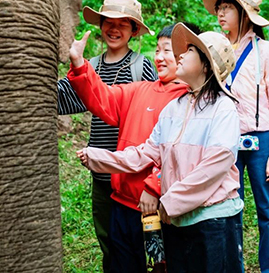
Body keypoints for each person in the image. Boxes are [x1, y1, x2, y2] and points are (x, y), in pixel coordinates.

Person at [76, 23, 244, 273]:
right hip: (177, 220)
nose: (180, 56)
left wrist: (168, 200)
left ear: (207, 64)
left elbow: (214, 167)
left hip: (213, 220)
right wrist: (98, 157)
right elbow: (145, 154)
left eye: (189, 51)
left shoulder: (224, 109)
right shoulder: (174, 109)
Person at [65, 23, 201, 273]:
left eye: (167, 51)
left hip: (157, 209)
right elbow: (102, 98)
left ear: (187, 55)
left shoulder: (190, 99)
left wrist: (153, 185)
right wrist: (79, 64)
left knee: (159, 267)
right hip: (120, 203)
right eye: (157, 50)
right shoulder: (140, 90)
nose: (159, 58)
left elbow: (181, 157)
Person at [57, 0, 157, 273]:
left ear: (134, 30)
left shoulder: (143, 67)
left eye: (123, 24)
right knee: (109, 241)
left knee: (141, 242)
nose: (114, 29)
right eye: (108, 22)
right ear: (100, 25)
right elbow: (63, 98)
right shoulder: (89, 67)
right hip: (102, 173)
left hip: (134, 176)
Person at [202, 0, 269, 273]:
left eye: (227, 8)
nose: (221, 14)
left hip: (261, 141)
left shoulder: (265, 51)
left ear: (243, 12)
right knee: (229, 212)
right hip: (226, 142)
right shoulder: (215, 50)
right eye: (219, 8)